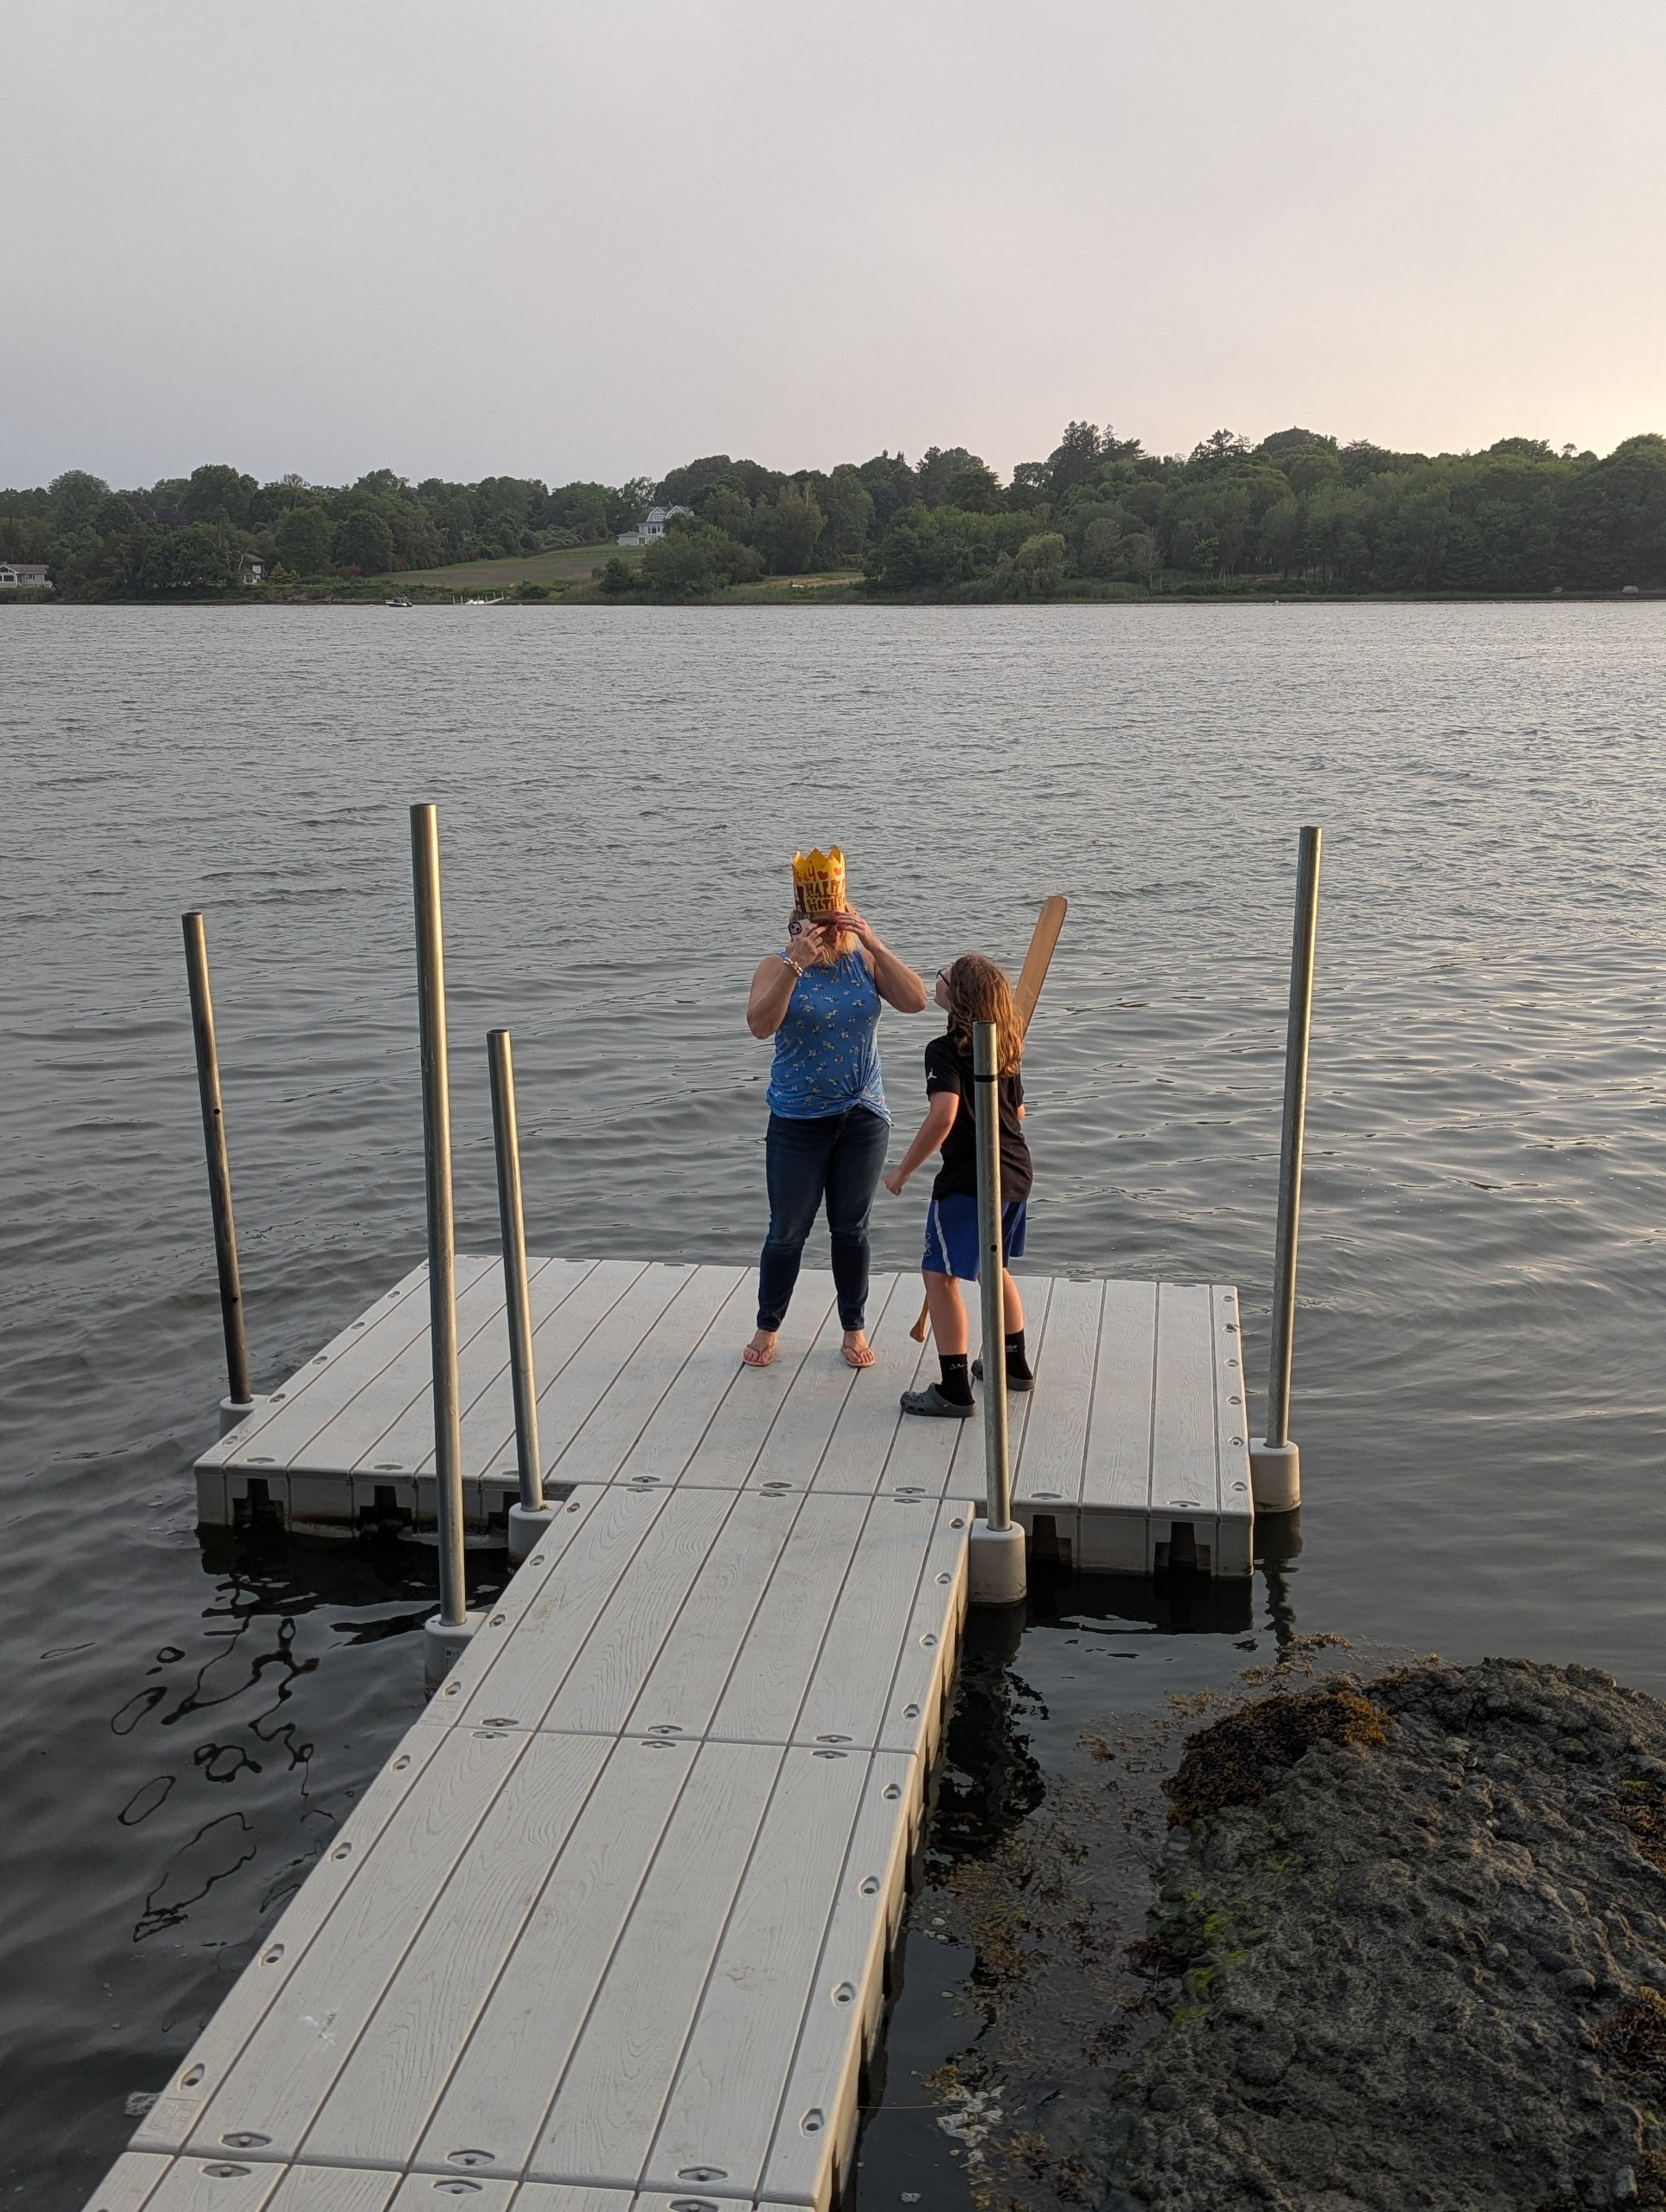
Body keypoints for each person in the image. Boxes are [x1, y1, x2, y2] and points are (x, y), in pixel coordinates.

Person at [744, 903, 927, 1369]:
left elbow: (916, 1001)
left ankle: (853, 1326)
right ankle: (768, 1326)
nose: (828, 931)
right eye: (818, 923)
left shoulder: (864, 960)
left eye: (836, 921)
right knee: (787, 1232)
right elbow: (760, 1027)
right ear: (798, 926)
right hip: (797, 1118)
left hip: (862, 1114)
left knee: (851, 1229)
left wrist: (874, 941)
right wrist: (795, 966)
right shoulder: (776, 966)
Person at [882, 951, 1034, 1417]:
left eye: (943, 976)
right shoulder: (1005, 1044)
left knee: (939, 1276)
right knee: (994, 1267)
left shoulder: (944, 1050)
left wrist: (904, 1170)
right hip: (1015, 1171)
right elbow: (1018, 1112)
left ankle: (953, 1389)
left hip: (970, 1179)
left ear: (958, 996)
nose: (937, 979)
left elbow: (943, 1115)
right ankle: (1013, 1365)